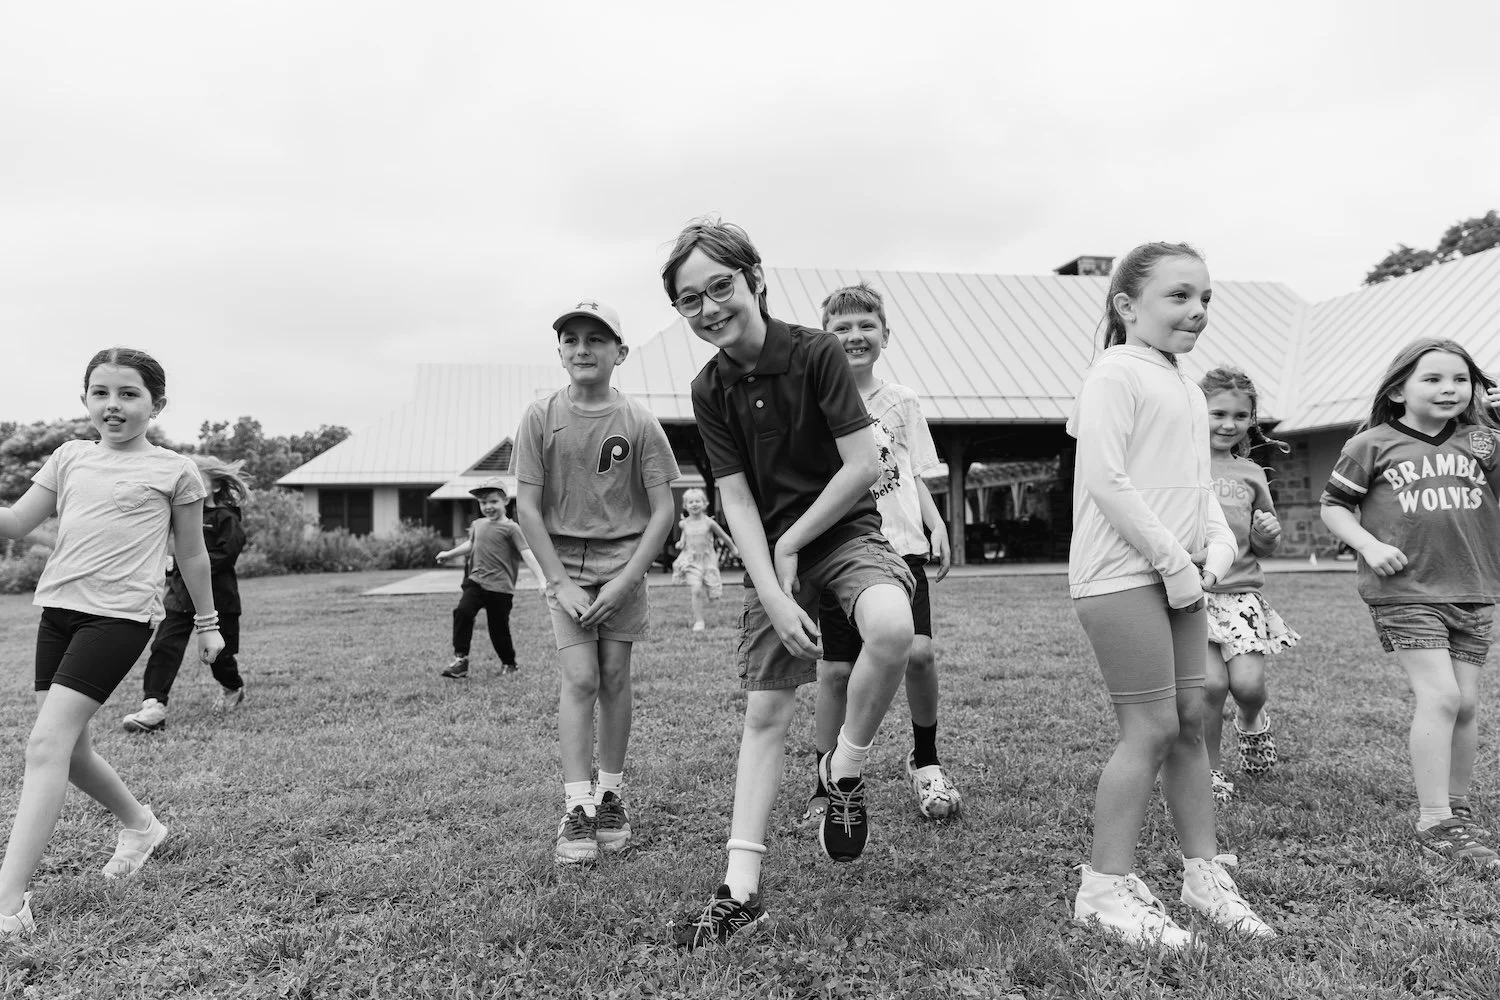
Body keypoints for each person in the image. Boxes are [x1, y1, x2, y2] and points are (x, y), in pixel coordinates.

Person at [665, 220, 915, 951]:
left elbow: (863, 466)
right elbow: (734, 497)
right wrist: (772, 589)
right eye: (690, 299)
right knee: (766, 714)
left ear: (755, 280)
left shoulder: (817, 353)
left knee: (894, 630)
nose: (710, 307)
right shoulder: (709, 387)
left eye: (721, 286)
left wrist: (795, 543)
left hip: (839, 532)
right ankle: (740, 890)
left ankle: (845, 767)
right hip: (768, 553)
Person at [1068, 243, 1274, 950]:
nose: (1197, 311)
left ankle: (1202, 874)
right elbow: (1106, 479)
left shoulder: (1185, 385)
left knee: (1191, 722)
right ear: (1128, 306)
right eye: (1179, 296)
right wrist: (1172, 562)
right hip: (1121, 578)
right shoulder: (1113, 374)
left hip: (1181, 578)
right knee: (1150, 729)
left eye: (1206, 298)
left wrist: (1214, 550)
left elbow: (1198, 488)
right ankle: (1104, 889)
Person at [0, 348, 224, 937]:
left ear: (157, 405)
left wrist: (208, 624)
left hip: (119, 618)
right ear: (85, 401)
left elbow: (193, 555)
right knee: (70, 752)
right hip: (59, 611)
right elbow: (16, 523)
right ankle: (142, 827)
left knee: (45, 746)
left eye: (128, 394)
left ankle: (8, 905)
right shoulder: (69, 457)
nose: (113, 405)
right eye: (101, 393)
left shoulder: (175, 471)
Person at [1320, 338, 1500, 868]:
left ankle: (1458, 809)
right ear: (1398, 390)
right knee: (1441, 697)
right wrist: (1369, 545)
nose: (1449, 389)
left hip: (1473, 588)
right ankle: (1433, 818)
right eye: (1433, 379)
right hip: (1406, 592)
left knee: (1465, 704)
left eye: (1460, 380)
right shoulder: (1371, 444)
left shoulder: (1483, 442)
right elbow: (1334, 507)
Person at [514, 301, 679, 866]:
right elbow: (528, 509)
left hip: (624, 565)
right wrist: (558, 583)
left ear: (620, 352)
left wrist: (628, 579)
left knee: (614, 676)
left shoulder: (638, 421)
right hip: (566, 568)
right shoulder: (539, 418)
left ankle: (611, 794)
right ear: (559, 352)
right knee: (580, 677)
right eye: (571, 340)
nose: (582, 349)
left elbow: (662, 510)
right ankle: (577, 805)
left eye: (596, 339)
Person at [802, 282, 959, 825]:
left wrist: (936, 523)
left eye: (866, 325)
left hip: (901, 548)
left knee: (918, 653)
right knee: (836, 672)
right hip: (842, 553)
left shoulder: (902, 401)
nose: (854, 336)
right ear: (823, 341)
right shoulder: (814, 404)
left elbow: (911, 472)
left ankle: (926, 760)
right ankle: (828, 780)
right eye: (841, 328)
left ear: (885, 334)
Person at [1197, 368, 1300, 800]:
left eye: (1240, 416)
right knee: (1210, 686)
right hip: (1194, 595)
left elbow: (1264, 544)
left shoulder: (1252, 473)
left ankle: (1252, 721)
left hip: (1241, 595)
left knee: (1247, 686)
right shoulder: (1176, 465)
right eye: (1217, 412)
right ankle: (1209, 772)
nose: (1228, 423)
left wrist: (1266, 534)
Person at [122, 455, 250, 732]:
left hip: (218, 599)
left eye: (197, 478)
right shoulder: (181, 515)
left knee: (218, 656)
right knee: (164, 648)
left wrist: (179, 562)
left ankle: (233, 687)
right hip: (179, 597)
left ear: (214, 487)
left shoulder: (226, 519)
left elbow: (224, 557)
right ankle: (153, 706)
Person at [434, 477, 545, 679]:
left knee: (498, 629)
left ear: (505, 501)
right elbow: (471, 545)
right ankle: (461, 660)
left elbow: (526, 553)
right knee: (462, 612)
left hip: (500, 588)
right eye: (483, 503)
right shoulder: (477, 525)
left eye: (493, 501)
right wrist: (449, 554)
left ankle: (509, 664)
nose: (488, 506)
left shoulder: (512, 529)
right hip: (476, 582)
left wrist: (541, 579)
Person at [671, 487, 738, 631]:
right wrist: (680, 543)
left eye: (698, 501)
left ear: (705, 504)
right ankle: (699, 621)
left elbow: (724, 537)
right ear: (685, 506)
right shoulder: (685, 524)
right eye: (691, 502)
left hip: (708, 560)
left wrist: (733, 549)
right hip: (691, 560)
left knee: (714, 593)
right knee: (696, 590)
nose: (694, 504)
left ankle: (711, 594)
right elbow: (684, 538)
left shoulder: (709, 523)